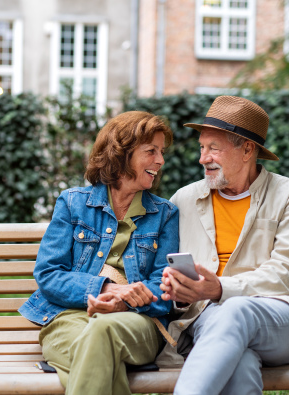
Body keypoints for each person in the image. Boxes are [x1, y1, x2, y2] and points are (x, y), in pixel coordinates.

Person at [156, 96, 289, 395]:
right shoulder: (184, 199)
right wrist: (181, 292)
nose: (202, 158)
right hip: (206, 319)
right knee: (241, 361)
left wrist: (220, 288)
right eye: (202, 147)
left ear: (247, 149)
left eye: (214, 149)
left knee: (236, 309)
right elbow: (166, 271)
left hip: (280, 317)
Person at [19, 111, 179, 395]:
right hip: (68, 316)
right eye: (151, 151)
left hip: (136, 321)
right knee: (98, 355)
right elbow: (48, 273)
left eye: (161, 152)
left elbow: (163, 287)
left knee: (102, 331)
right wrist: (104, 288)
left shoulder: (165, 214)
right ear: (122, 152)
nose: (161, 161)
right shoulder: (72, 203)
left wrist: (126, 301)